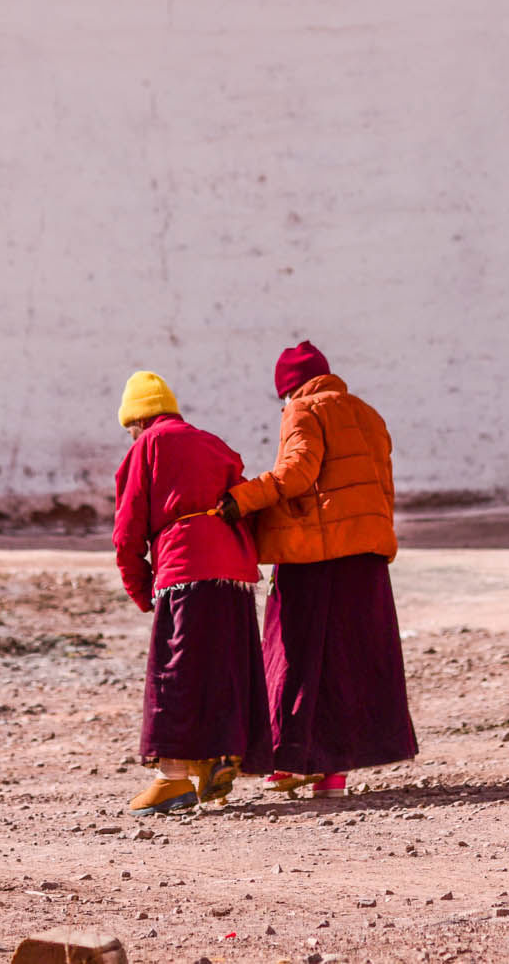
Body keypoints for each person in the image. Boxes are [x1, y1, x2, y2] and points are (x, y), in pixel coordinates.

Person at [227, 342, 418, 798]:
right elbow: (384, 490)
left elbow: (297, 472)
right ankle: (333, 775)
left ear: (288, 388)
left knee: (293, 655)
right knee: (346, 664)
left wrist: (242, 499)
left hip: (314, 557)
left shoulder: (303, 410)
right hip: (366, 557)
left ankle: (290, 761)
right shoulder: (368, 415)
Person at [111, 369, 273, 815]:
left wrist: (141, 590)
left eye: (129, 430)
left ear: (139, 422)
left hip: (185, 566)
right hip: (235, 570)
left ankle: (171, 779)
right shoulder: (215, 444)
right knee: (224, 666)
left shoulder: (148, 446)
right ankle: (218, 757)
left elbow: (126, 533)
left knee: (175, 673)